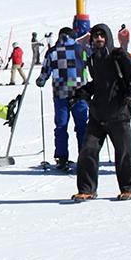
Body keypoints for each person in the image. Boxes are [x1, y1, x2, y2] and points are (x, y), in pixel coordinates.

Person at [72, 24, 131, 201]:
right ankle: (87, 190)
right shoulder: (93, 59)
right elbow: (99, 83)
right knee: (87, 151)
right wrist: (83, 92)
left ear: (108, 37)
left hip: (119, 113)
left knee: (123, 153)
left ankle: (128, 188)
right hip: (98, 114)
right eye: (95, 36)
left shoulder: (118, 55)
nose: (99, 38)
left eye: (102, 35)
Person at [35, 27, 89, 172]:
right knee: (82, 126)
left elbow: (45, 71)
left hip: (60, 93)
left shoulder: (52, 52)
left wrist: (41, 81)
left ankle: (61, 158)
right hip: (80, 92)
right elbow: (92, 65)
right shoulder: (82, 50)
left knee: (61, 126)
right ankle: (85, 157)